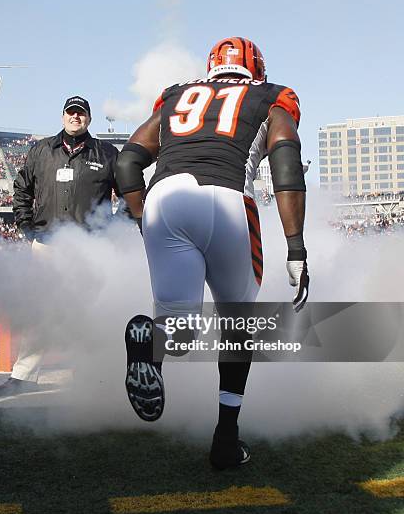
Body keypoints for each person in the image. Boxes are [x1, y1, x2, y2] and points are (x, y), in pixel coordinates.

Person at [116, 37, 309, 469]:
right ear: (255, 67)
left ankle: (150, 344)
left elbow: (127, 162)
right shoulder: (270, 96)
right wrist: (296, 246)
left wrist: (142, 219)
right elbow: (285, 161)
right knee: (238, 324)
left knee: (179, 334)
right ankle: (225, 438)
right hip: (226, 201)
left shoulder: (175, 97)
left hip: (165, 200)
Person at [0, 95, 119, 400]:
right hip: (47, 242)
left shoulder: (106, 153)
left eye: (81, 113)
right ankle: (25, 376)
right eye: (70, 113)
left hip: (90, 247)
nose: (75, 117)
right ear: (63, 116)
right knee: (40, 309)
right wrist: (26, 227)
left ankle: (89, 374)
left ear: (88, 118)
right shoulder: (41, 150)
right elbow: (22, 189)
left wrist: (115, 228)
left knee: (90, 310)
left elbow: (129, 193)